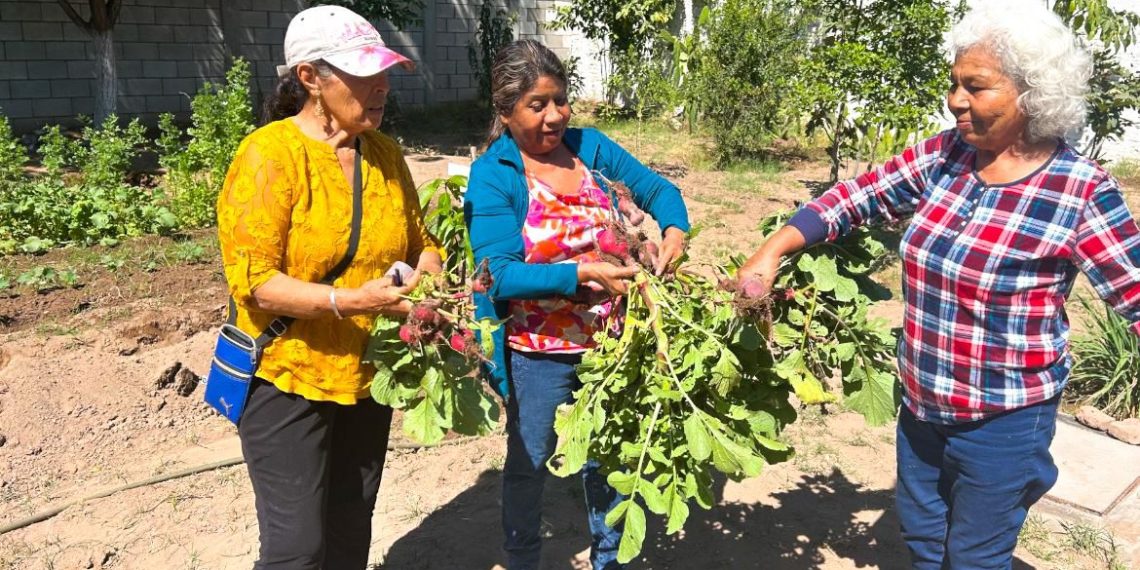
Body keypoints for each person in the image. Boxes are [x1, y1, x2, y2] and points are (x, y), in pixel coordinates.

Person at [738, 2, 1140, 568]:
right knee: (926, 540)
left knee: (975, 556)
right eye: (953, 84)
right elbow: (858, 197)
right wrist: (770, 250)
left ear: (1033, 94)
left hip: (1003, 419)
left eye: (975, 86)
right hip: (921, 404)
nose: (955, 101)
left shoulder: (1078, 190)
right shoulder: (945, 156)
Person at [215, 5, 442, 569]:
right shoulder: (270, 155)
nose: (382, 86)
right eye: (363, 74)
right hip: (286, 372)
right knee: (297, 547)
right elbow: (257, 284)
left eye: (384, 72)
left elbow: (423, 243)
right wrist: (351, 300)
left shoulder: (385, 154)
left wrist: (430, 281)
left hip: (368, 375)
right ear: (310, 78)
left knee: (349, 530)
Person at [464, 40, 690, 570]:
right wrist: (579, 276)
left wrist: (675, 229)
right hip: (538, 349)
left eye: (560, 100)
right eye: (537, 105)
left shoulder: (591, 148)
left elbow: (658, 191)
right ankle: (523, 558)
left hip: (614, 344)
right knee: (531, 461)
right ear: (505, 111)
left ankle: (611, 559)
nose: (554, 116)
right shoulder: (495, 173)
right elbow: (497, 272)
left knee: (609, 458)